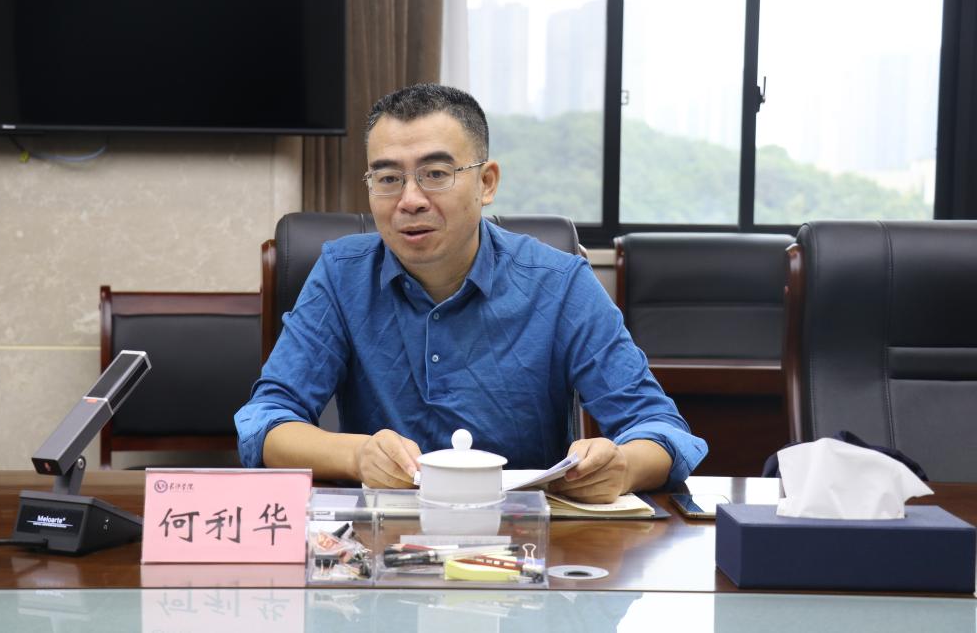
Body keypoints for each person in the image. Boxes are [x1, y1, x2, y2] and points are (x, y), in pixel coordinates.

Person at [235, 83, 706, 503]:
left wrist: (622, 468)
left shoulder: (560, 282)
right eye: (388, 178)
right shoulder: (342, 275)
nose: (410, 200)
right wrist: (357, 456)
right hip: (385, 541)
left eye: (436, 174)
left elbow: (661, 430)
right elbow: (265, 422)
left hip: (524, 542)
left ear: (486, 183)